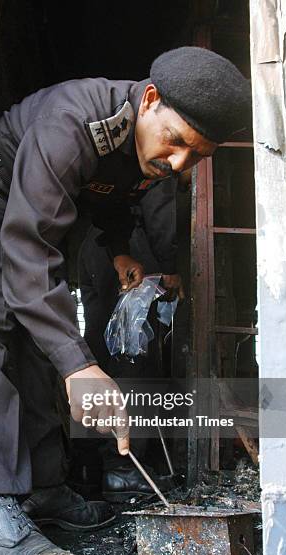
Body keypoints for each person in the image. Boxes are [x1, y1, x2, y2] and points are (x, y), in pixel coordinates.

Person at [0, 46, 250, 555]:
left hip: (39, 213)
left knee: (43, 343)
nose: (179, 163)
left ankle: (40, 487)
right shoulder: (73, 121)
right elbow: (28, 244)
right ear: (149, 100)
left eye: (196, 156)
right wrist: (81, 367)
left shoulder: (149, 149)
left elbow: (107, 198)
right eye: (177, 142)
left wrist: (117, 250)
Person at [75, 177, 182, 500]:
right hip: (134, 246)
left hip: (95, 245)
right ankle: (122, 468)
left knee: (96, 349)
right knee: (133, 355)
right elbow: (161, 205)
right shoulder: (169, 156)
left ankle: (87, 468)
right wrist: (169, 265)